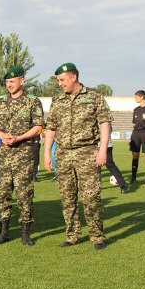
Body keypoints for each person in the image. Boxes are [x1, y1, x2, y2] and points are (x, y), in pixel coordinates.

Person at [43, 62, 110, 250]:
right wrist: (47, 153)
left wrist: (102, 149)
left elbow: (104, 124)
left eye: (62, 80)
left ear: (74, 77)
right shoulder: (57, 101)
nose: (60, 84)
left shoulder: (94, 96)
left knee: (91, 197)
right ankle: (72, 235)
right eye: (58, 80)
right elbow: (51, 128)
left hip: (87, 152)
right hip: (63, 154)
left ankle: (97, 236)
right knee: (67, 197)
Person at [0, 66, 44, 246]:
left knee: (24, 194)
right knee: (3, 194)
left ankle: (25, 233)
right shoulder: (1, 101)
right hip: (4, 155)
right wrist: (2, 135)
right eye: (7, 82)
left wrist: (19, 137)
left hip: (24, 154)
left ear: (22, 81)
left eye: (12, 81)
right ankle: (3, 232)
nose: (9, 85)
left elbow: (37, 126)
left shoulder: (32, 101)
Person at [105, 122, 128, 193]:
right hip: (102, 144)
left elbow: (109, 129)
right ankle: (123, 185)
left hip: (103, 144)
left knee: (109, 165)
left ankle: (123, 185)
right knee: (109, 165)